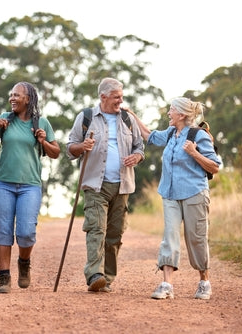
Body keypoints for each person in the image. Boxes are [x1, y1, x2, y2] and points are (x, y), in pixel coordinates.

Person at [127, 97, 221, 300]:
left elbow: (214, 166)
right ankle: (167, 284)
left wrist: (194, 153)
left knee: (196, 239)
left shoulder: (199, 135)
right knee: (169, 236)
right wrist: (130, 114)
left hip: (194, 193)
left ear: (182, 115)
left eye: (171, 110)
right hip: (169, 194)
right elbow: (148, 135)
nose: (168, 113)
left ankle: (204, 281)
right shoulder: (170, 133)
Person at [66, 77, 144, 293]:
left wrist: (137, 157)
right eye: (116, 96)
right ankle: (94, 275)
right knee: (96, 229)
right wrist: (82, 146)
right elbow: (70, 147)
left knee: (115, 235)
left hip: (123, 185)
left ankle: (107, 278)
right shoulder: (86, 117)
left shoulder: (128, 118)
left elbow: (140, 147)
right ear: (103, 97)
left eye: (121, 96)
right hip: (95, 185)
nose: (121, 100)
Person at [0, 81, 60, 293]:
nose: (12, 98)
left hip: (30, 185)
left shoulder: (42, 123)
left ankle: (23, 262)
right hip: (2, 183)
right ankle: (4, 276)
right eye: (11, 95)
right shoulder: (5, 119)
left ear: (28, 99)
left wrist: (43, 141)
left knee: (26, 232)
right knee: (3, 231)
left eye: (17, 95)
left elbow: (55, 152)